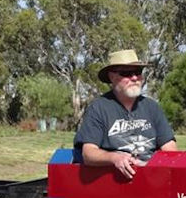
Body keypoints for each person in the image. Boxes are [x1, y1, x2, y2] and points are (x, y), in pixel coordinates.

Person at [74, 49, 176, 179]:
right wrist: (115, 158)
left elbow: (170, 149)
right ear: (112, 77)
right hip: (111, 183)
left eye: (138, 72)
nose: (134, 78)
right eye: (126, 73)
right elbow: (88, 153)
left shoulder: (152, 107)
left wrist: (151, 166)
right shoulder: (99, 108)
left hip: (151, 179)